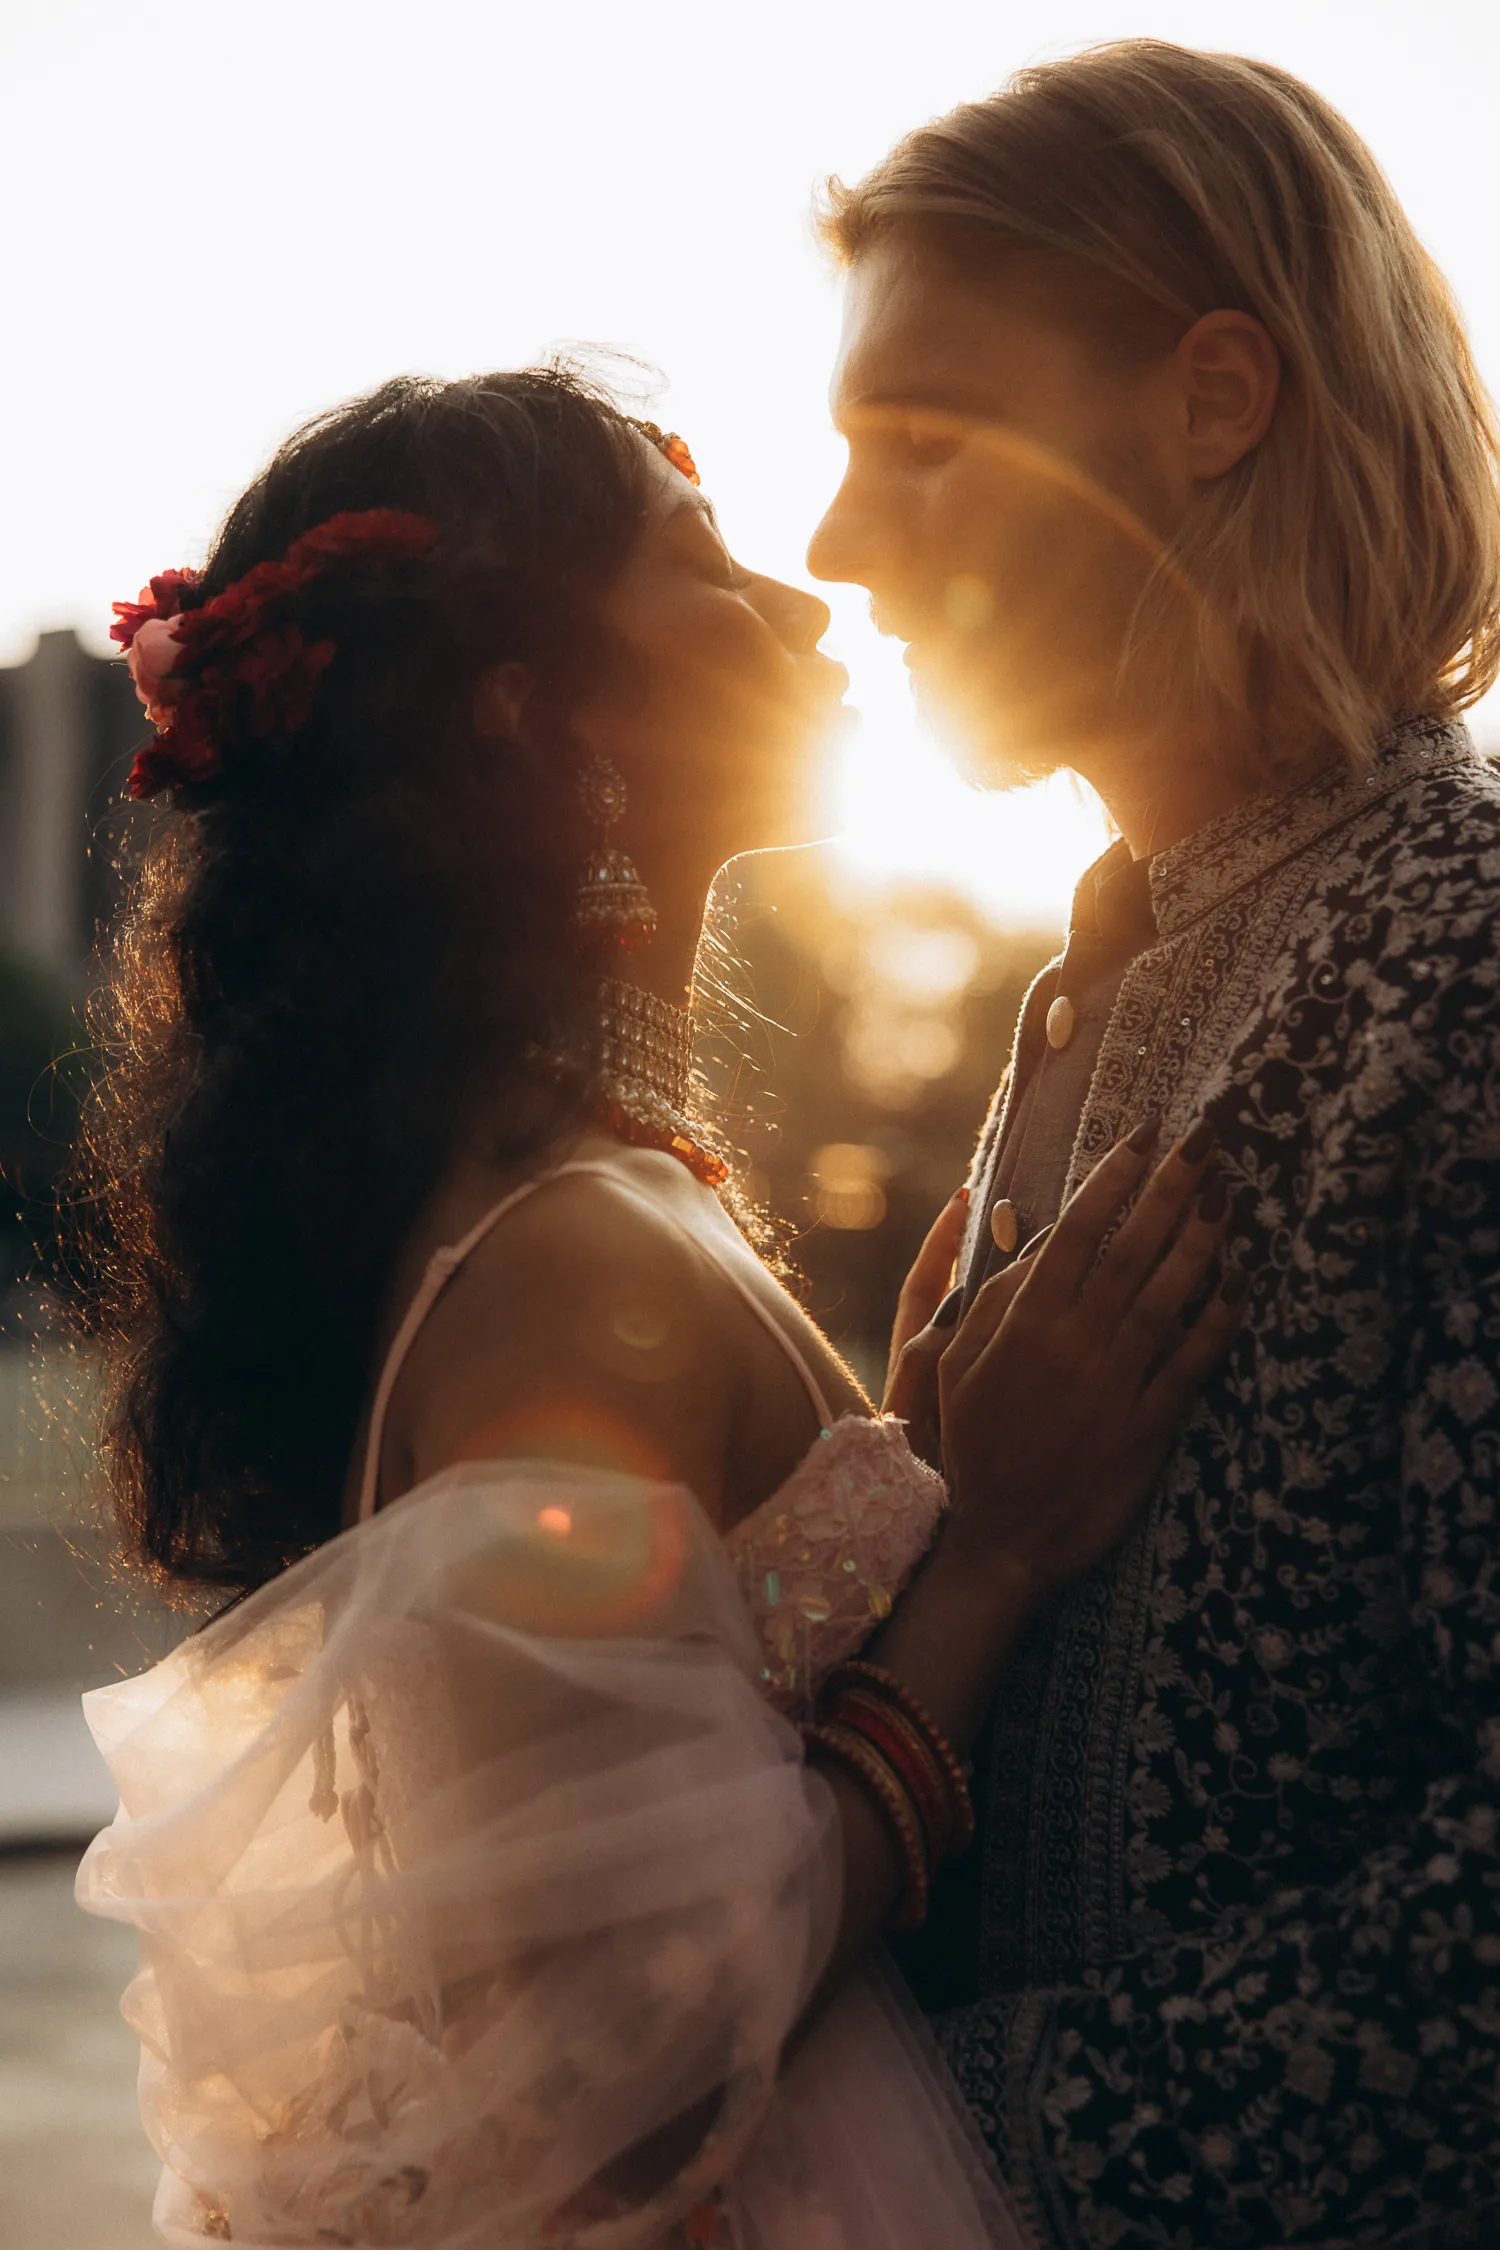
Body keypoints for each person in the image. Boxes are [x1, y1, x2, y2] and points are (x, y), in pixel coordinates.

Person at [70, 367, 1240, 2248]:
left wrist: (906, 1449)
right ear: (543, 711)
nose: (806, 601)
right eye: (706, 565)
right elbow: (631, 2056)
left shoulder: (580, 1190)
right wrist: (994, 1555)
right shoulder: (561, 1250)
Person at [809, 37, 1500, 2250]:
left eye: (921, 442)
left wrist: (901, 2154)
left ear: (1216, 399)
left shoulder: (1467, 958)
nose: (833, 544)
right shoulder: (1090, 976)